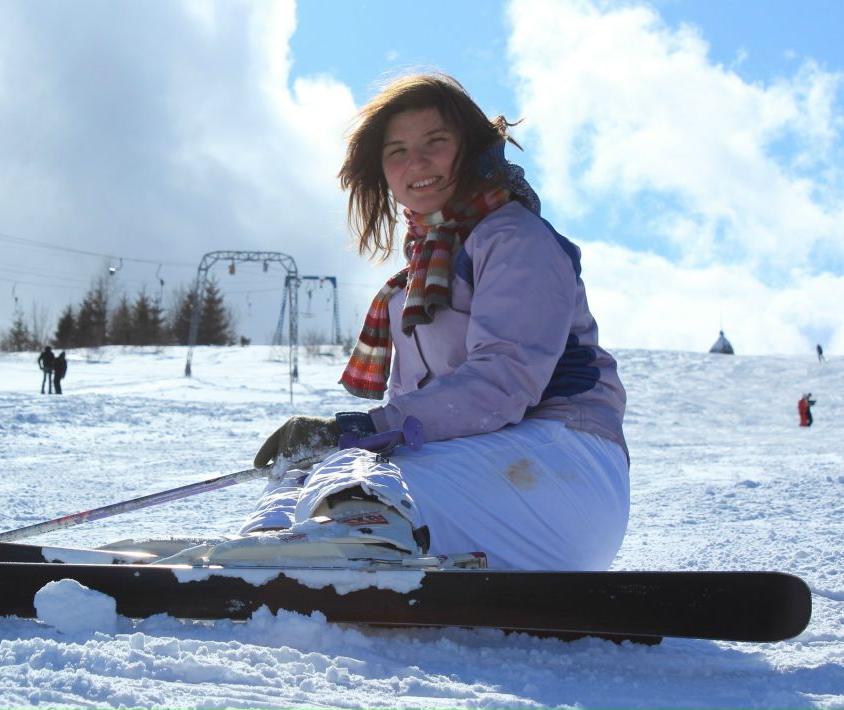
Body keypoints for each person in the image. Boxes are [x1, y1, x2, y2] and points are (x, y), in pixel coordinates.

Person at [192, 72, 630, 572]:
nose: (416, 162)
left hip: (561, 469)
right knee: (318, 463)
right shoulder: (414, 285)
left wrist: (361, 427)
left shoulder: (514, 240)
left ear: (472, 150)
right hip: (486, 478)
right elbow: (420, 418)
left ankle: (356, 543)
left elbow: (502, 382)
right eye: (396, 150)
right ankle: (281, 543)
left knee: (360, 464)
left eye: (436, 142)